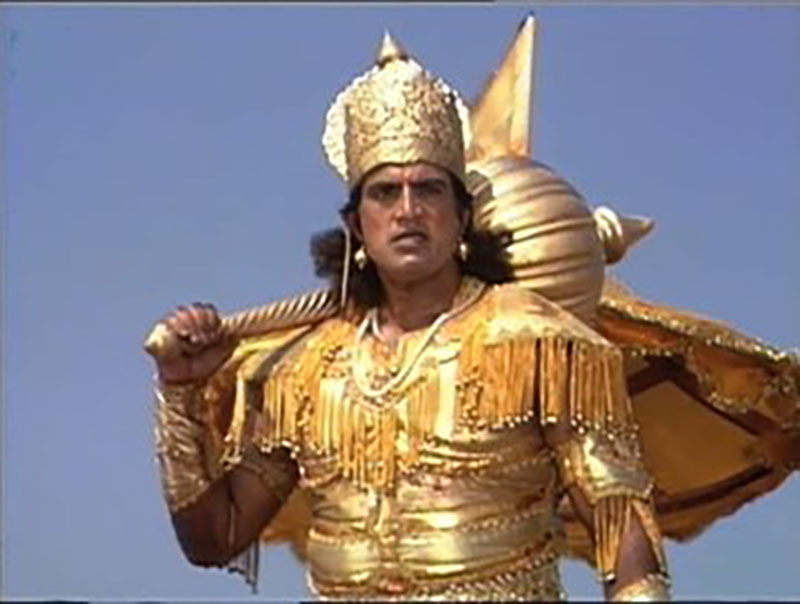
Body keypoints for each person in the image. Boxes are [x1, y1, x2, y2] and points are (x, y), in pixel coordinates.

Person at [149, 31, 671, 601]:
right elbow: (217, 537)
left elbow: (621, 524)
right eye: (384, 193)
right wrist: (179, 395)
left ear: (461, 217)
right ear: (356, 226)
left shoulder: (537, 343)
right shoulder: (304, 373)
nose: (407, 210)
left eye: (428, 190)